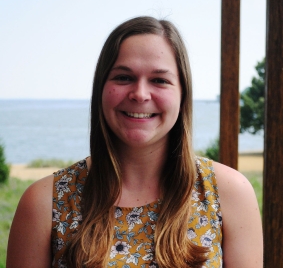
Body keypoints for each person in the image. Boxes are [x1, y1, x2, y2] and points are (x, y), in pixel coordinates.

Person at [6, 16, 263, 268]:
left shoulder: (229, 194)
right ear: (101, 89)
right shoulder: (43, 202)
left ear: (182, 94)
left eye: (159, 80)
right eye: (123, 77)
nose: (140, 94)